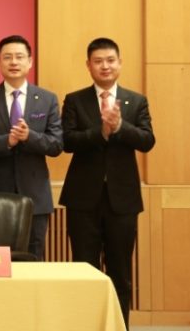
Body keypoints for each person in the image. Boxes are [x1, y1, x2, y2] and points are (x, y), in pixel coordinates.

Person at [59, 37, 155, 328]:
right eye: (98, 61)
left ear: (120, 63)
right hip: (83, 200)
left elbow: (147, 140)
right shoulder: (75, 100)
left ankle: (119, 326)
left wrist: (120, 127)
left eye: (110, 60)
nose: (105, 66)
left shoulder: (136, 101)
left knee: (120, 273)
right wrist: (100, 132)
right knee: (84, 271)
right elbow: (67, 141)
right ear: (88, 65)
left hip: (122, 201)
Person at [0, 35, 63, 260]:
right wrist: (7, 141)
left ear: (30, 61)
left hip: (35, 197)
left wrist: (29, 137)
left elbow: (56, 145)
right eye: (7, 57)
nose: (14, 62)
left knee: (32, 260)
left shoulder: (47, 99)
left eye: (19, 57)